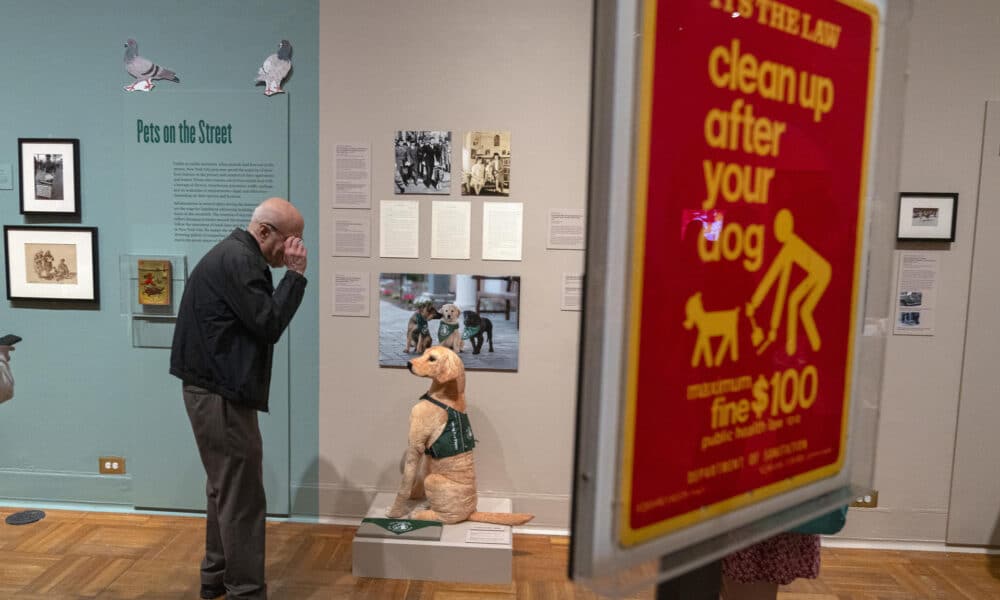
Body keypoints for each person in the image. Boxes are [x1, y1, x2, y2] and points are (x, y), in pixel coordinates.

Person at [170, 197, 308, 600]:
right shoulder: (242, 261)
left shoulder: (234, 255)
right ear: (265, 232)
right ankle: (245, 591)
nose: (296, 250)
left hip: (212, 390)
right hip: (219, 394)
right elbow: (268, 323)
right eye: (292, 241)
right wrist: (295, 277)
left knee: (223, 489)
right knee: (242, 497)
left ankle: (216, 579)